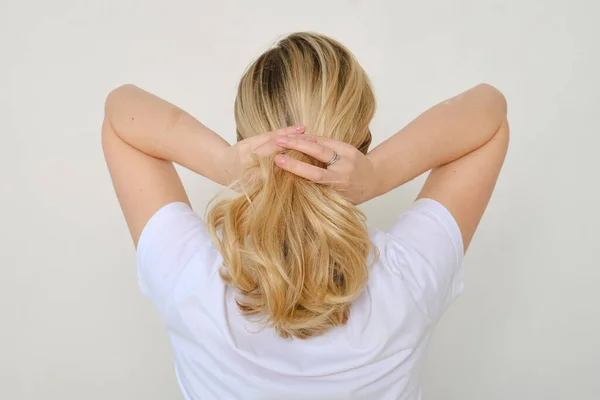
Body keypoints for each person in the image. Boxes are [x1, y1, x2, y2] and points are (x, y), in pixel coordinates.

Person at [102, 32, 508, 400]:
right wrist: (379, 175)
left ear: (246, 141)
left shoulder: (189, 279)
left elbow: (121, 111)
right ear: (361, 145)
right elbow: (489, 111)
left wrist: (223, 164)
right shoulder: (409, 279)